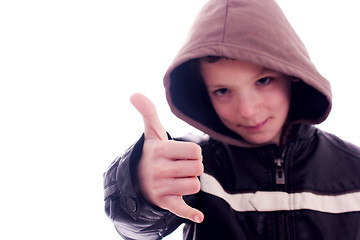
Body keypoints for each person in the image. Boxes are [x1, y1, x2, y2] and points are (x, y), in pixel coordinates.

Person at [103, 0, 360, 239]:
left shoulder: (354, 170)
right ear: (204, 94)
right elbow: (138, 229)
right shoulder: (193, 165)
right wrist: (139, 187)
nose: (247, 111)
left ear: (293, 74)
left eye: (263, 80)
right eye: (223, 91)